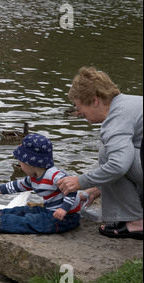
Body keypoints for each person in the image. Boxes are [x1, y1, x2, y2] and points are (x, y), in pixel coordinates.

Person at [57, 66, 143, 240]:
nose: (78, 112)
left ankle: (136, 222)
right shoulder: (131, 102)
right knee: (114, 154)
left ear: (95, 101)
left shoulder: (116, 119)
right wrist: (96, 188)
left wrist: (80, 181)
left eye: (78, 106)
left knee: (107, 154)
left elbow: (118, 166)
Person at [0, 133, 82, 234]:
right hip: (49, 210)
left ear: (30, 163)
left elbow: (72, 189)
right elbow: (18, 185)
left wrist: (64, 209)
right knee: (26, 210)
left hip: (65, 217)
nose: (19, 165)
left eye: (21, 162)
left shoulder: (54, 176)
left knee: (33, 221)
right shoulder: (34, 178)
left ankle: (0, 222)